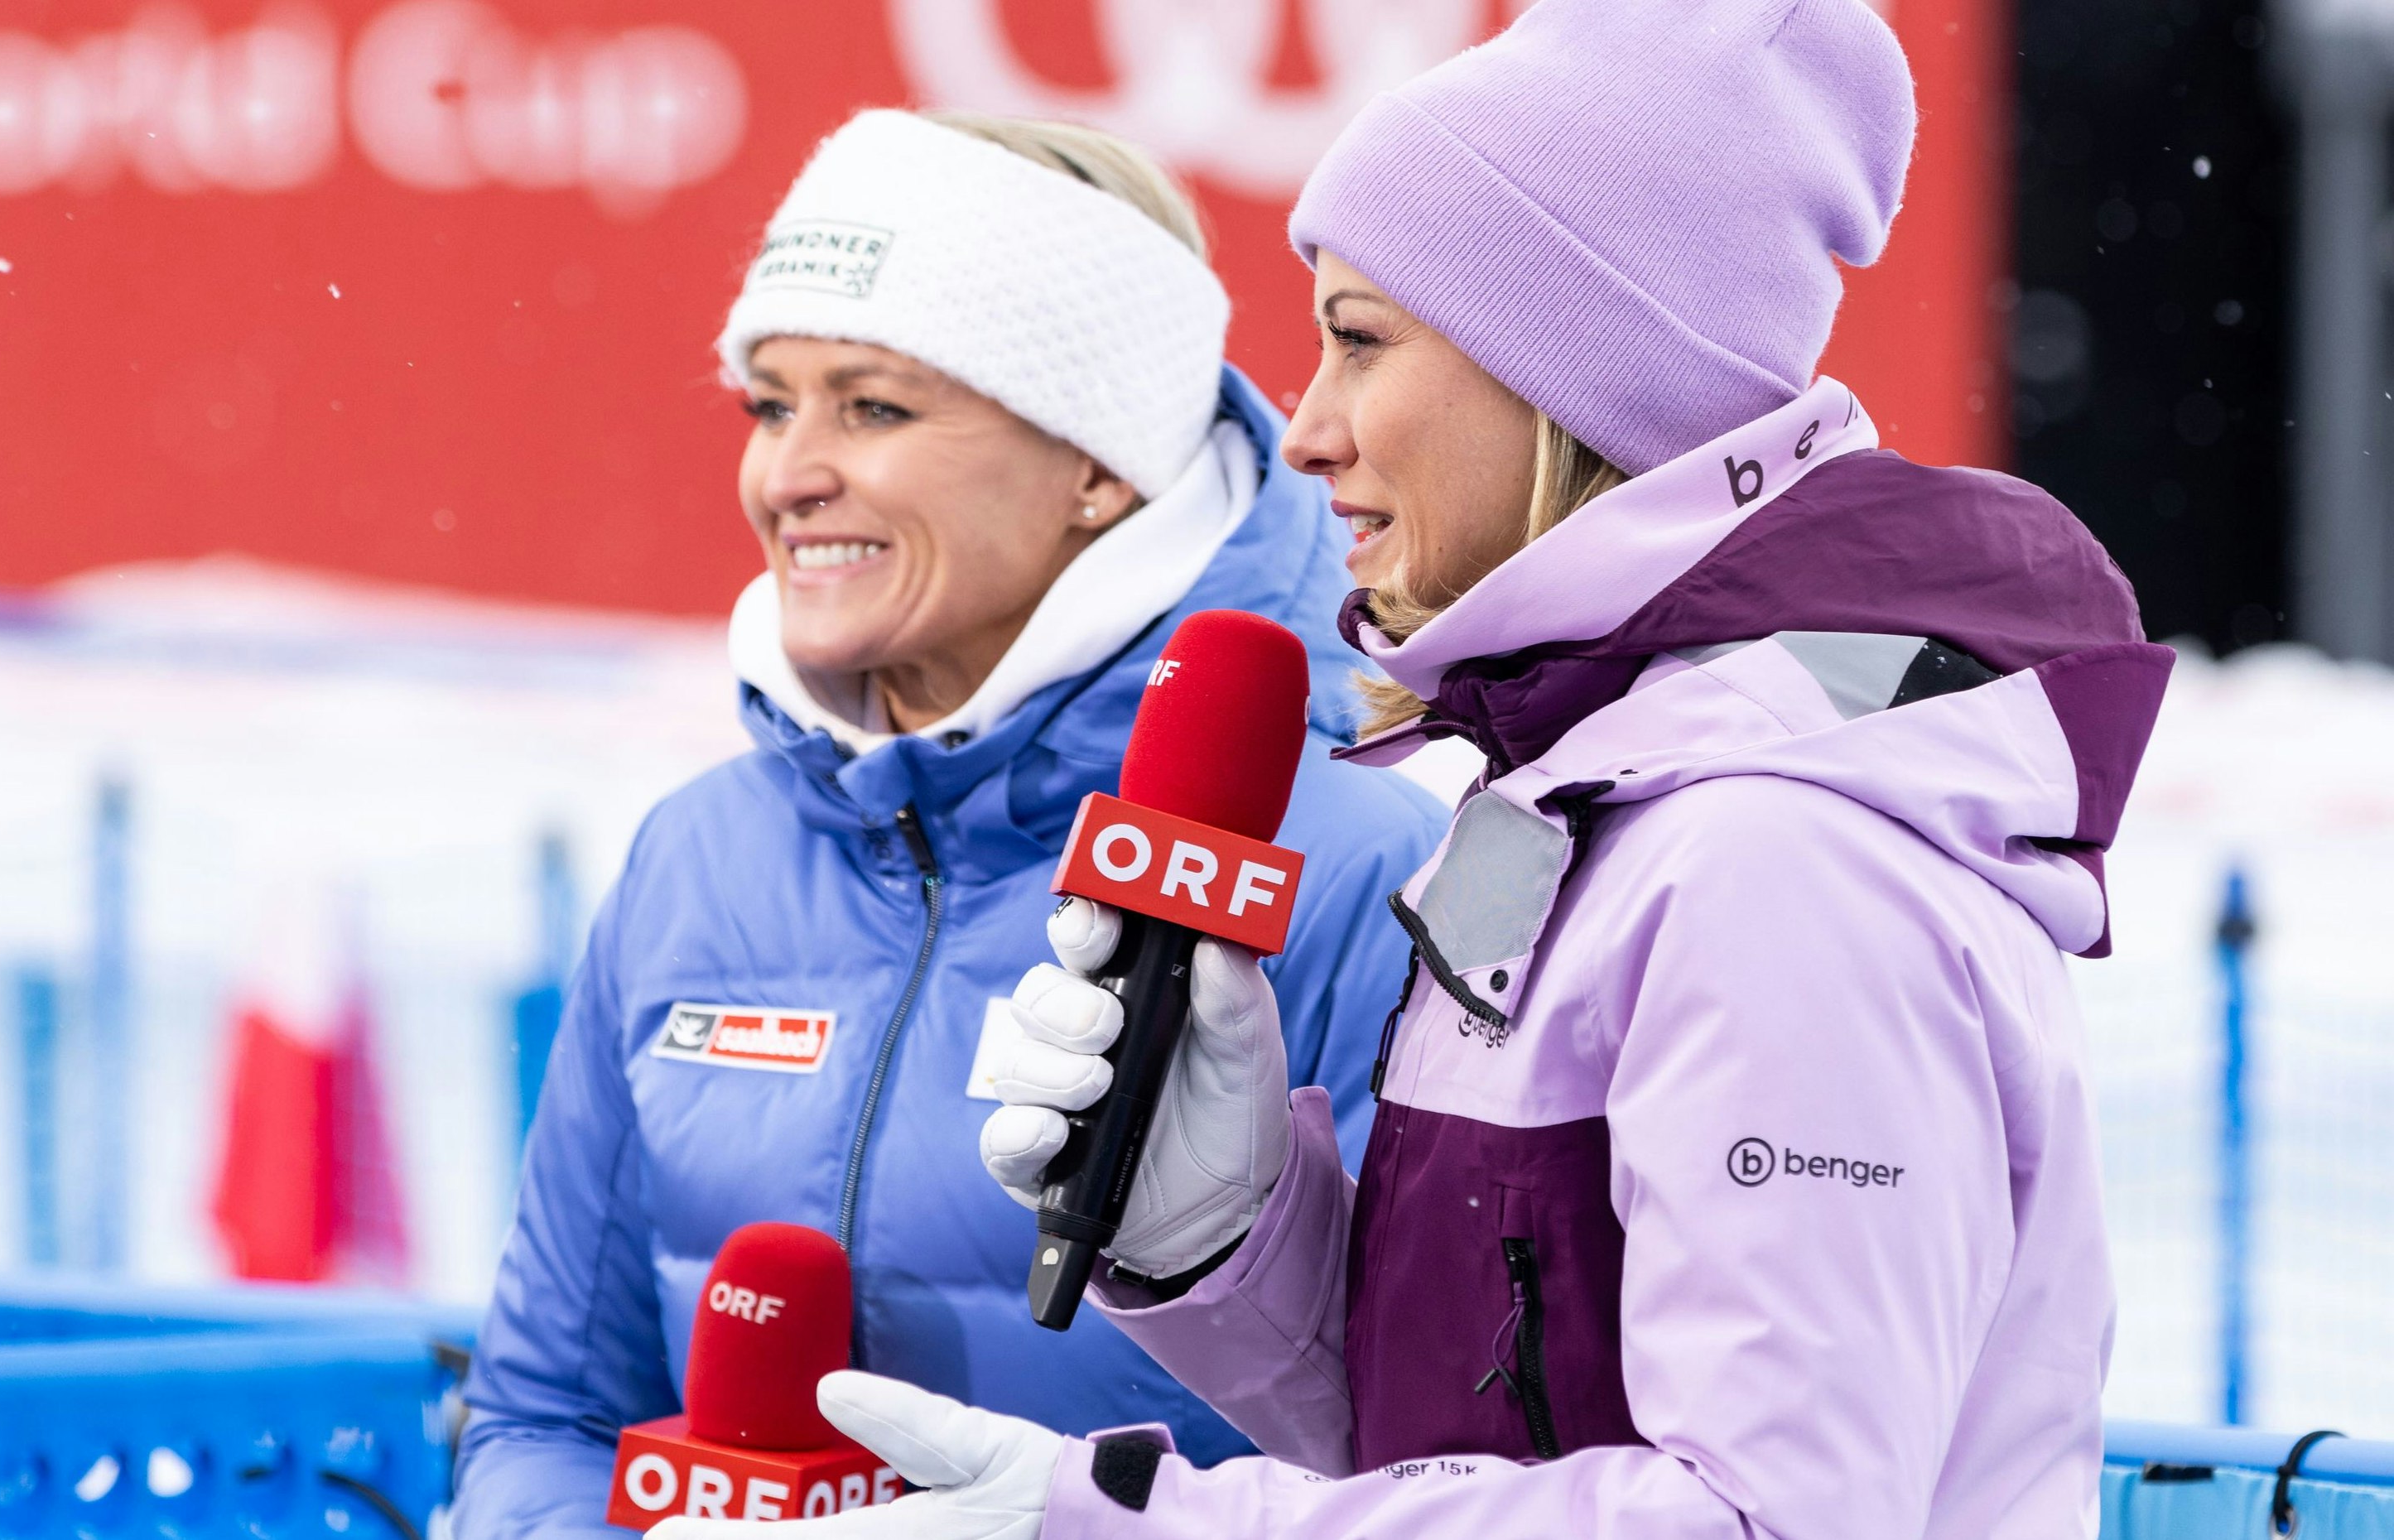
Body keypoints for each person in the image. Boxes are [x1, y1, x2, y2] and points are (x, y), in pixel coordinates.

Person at [648, 2, 2175, 1538]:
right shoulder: (1585, 792)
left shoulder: (1782, 859)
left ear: (1569, 381)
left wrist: (1132, 1526)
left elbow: (1766, 1523)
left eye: (1358, 339)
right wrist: (1223, 1237)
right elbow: (1462, 1436)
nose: (1304, 429)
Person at [452, 110, 1446, 1538]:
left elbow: (1433, 1468)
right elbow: (547, 1416)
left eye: (873, 407)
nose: (787, 474)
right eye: (768, 405)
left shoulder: (1353, 870)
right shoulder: (699, 852)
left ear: (1095, 466)